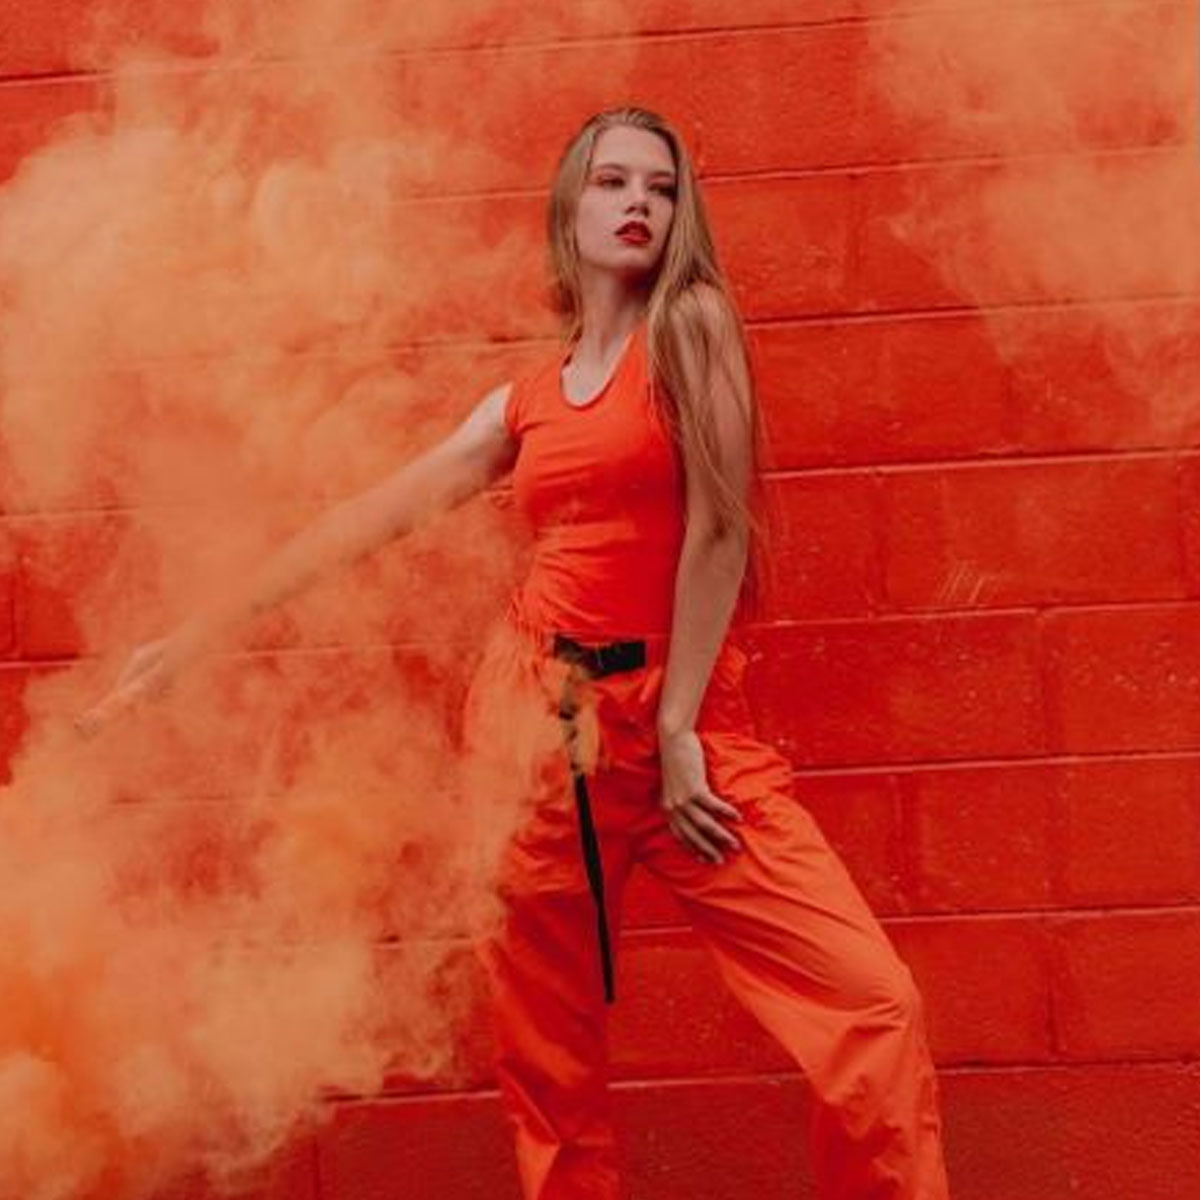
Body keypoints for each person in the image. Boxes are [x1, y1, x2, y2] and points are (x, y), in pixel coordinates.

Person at [83, 106, 952, 1200]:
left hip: (683, 729)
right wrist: (195, 634)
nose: (638, 202)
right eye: (611, 182)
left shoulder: (692, 326)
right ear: (568, 211)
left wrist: (681, 726)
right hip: (542, 736)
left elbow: (722, 527)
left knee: (871, 1006)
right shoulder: (522, 402)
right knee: (552, 1073)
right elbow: (368, 517)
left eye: (662, 186)